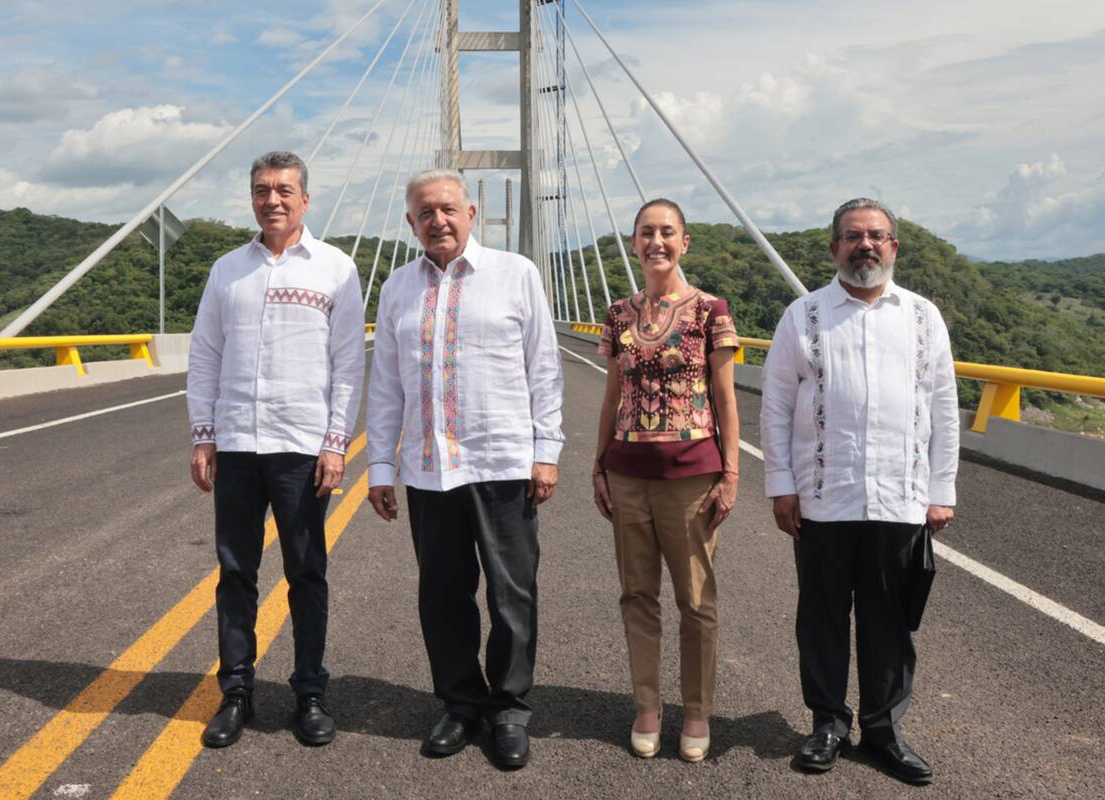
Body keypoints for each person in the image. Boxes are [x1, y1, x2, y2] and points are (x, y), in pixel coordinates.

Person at [364, 169, 564, 770]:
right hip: (430, 471)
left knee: (511, 595)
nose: (438, 221)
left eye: (448, 209)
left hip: (501, 462)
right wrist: (379, 464)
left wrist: (546, 451)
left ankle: (508, 709)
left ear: (471, 212)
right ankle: (459, 702)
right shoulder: (398, 287)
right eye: (425, 213)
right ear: (410, 223)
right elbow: (386, 386)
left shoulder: (515, 274)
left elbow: (544, 369)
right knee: (443, 596)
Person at [760, 198, 959, 784]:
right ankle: (827, 723)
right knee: (821, 617)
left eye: (876, 236)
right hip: (825, 496)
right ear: (834, 248)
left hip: (899, 499)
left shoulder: (924, 317)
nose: (864, 245)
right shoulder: (804, 316)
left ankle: (882, 731)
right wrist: (781, 486)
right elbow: (774, 407)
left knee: (890, 620)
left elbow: (944, 410)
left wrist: (941, 489)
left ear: (894, 246)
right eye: (852, 236)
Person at [187, 151, 366, 748]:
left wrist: (336, 444)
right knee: (236, 572)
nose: (273, 200)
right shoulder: (226, 270)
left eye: (285, 190)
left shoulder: (336, 269)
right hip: (237, 442)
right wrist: (203, 435)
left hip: (300, 445)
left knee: (306, 572)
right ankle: (236, 691)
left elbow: (347, 364)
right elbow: (205, 354)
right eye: (262, 190)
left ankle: (310, 693)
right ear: (252, 198)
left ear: (305, 200)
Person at [591, 198, 740, 763]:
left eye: (667, 232)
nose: (657, 241)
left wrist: (730, 473)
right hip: (628, 474)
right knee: (636, 595)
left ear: (685, 242)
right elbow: (611, 396)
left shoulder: (710, 311)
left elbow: (725, 399)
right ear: (633, 243)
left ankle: (697, 712)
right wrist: (598, 465)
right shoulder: (618, 314)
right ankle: (648, 707)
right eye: (646, 233)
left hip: (691, 478)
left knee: (696, 600)